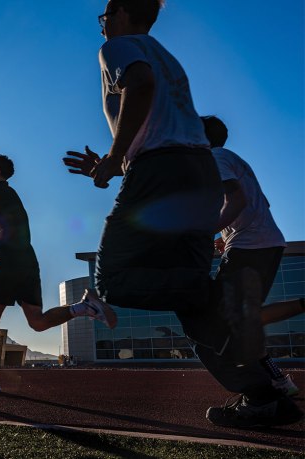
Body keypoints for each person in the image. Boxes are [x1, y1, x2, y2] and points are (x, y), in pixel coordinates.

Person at [61, 0, 301, 427]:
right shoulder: (168, 57)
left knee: (112, 280)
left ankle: (217, 306)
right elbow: (164, 128)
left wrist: (117, 159)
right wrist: (117, 161)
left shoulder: (118, 47)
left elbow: (139, 84)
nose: (103, 26)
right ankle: (264, 395)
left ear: (120, 14)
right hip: (196, 175)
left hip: (164, 170)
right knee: (192, 303)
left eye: (106, 17)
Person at [0, 154, 117, 393]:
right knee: (37, 322)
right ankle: (84, 307)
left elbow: (12, 230)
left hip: (9, 262)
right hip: (26, 262)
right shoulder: (6, 195)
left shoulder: (1, 194)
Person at [202, 115, 302, 396]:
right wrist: (224, 237)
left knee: (220, 320)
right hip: (265, 243)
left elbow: (237, 200)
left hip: (250, 245)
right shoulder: (231, 159)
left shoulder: (215, 158)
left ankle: (262, 391)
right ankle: (277, 381)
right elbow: (261, 202)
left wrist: (209, 231)